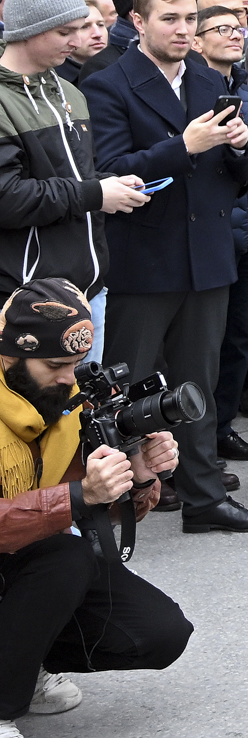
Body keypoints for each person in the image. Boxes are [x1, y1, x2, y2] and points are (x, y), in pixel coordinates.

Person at [81, 0, 248, 533]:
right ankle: (112, 502)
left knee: (200, 386)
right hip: (144, 258)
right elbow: (111, 172)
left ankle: (204, 498)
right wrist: (183, 146)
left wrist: (242, 147)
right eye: (171, 19)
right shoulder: (108, 83)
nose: (184, 30)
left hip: (208, 255)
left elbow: (239, 176)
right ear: (138, 23)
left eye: (191, 19)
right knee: (126, 387)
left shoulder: (210, 83)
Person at [0, 280, 191, 733]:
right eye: (55, 366)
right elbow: (71, 502)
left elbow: (90, 510)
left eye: (76, 365)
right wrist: (79, 495)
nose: (69, 378)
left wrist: (138, 475)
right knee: (65, 557)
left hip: (21, 549)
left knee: (159, 633)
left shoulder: (64, 402)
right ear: (8, 354)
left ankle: (19, 662)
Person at [0, 0, 151, 345]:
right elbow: (8, 198)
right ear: (30, 30)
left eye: (82, 28)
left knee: (82, 403)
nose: (79, 41)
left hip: (88, 289)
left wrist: (109, 183)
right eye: (67, 31)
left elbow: (75, 174)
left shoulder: (69, 91)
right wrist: (95, 194)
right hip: (25, 295)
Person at [191, 3, 248, 473]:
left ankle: (222, 428)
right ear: (197, 40)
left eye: (239, 28)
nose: (234, 35)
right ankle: (197, 439)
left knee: (240, 336)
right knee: (204, 341)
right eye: (220, 29)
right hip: (212, 230)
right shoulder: (191, 91)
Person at [76, 0, 168, 82]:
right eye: (169, 17)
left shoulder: (192, 61)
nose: (183, 29)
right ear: (136, 15)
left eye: (190, 18)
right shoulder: (102, 67)